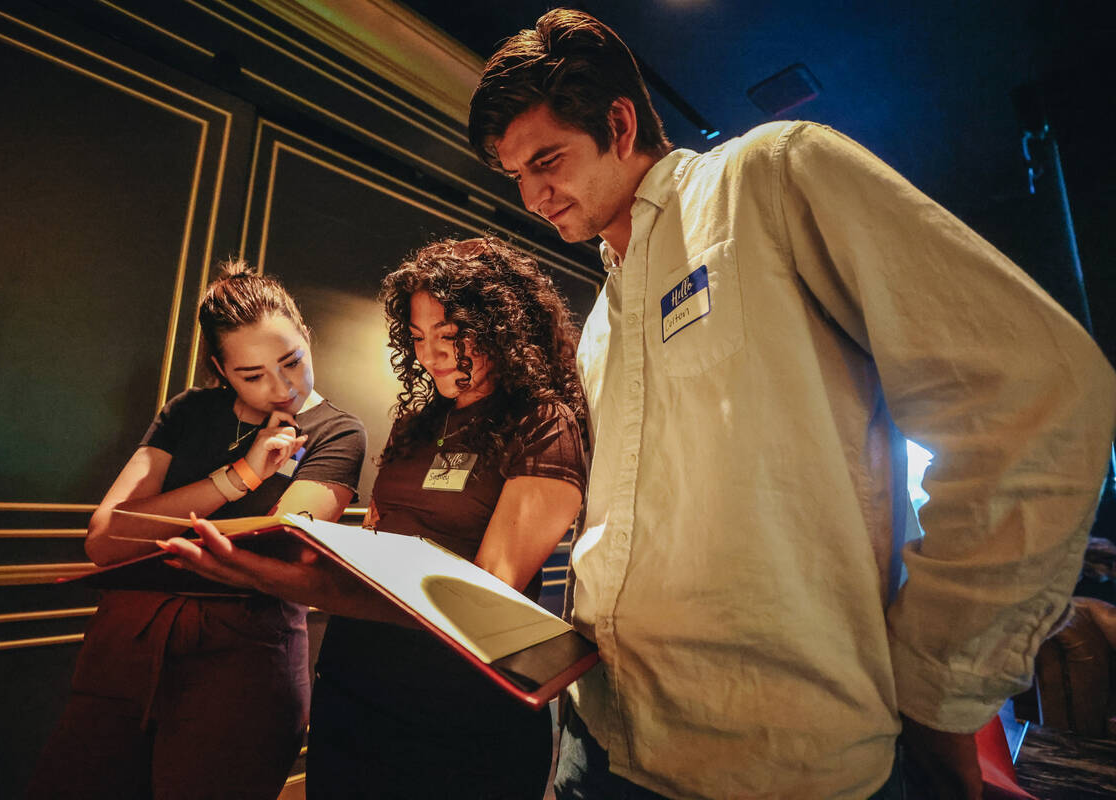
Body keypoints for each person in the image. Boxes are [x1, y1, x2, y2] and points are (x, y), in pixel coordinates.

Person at [467, 9, 1116, 800]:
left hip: (776, 760)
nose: (535, 196)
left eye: (547, 161)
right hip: (597, 731)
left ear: (619, 120)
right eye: (518, 177)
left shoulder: (767, 178)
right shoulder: (601, 318)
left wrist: (944, 690)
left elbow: (1032, 393)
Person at [161, 236, 589, 799]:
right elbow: (373, 553)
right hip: (356, 689)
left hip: (461, 711)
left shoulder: (542, 423)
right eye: (418, 338)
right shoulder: (417, 423)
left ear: (503, 327)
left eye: (450, 336)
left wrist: (262, 574)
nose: (431, 355)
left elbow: (484, 598)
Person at [27, 262, 366, 800]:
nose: (282, 389)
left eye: (292, 361)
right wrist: (239, 478)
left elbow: (281, 549)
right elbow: (105, 539)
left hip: (245, 651)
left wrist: (169, 525)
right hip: (127, 641)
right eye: (252, 375)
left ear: (306, 336)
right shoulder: (189, 410)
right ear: (221, 369)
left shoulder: (337, 431)